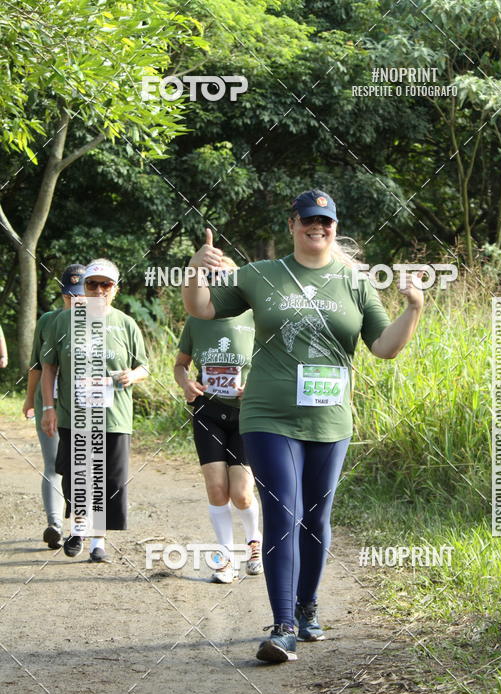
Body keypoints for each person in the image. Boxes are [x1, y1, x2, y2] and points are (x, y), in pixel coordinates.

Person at [183, 190, 424, 663]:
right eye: (309, 219)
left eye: (326, 221)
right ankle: (283, 626)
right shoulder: (260, 275)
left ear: (334, 227)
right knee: (283, 512)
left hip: (329, 420)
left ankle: (308, 608)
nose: (318, 226)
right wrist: (195, 269)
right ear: (292, 224)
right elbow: (202, 309)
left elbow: (384, 347)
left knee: (315, 519)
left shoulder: (355, 282)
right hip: (268, 415)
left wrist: (413, 308)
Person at [40, 259, 149, 562]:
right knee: (75, 475)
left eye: (106, 284)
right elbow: (48, 367)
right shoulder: (63, 321)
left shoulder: (126, 324)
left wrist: (132, 375)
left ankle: (98, 541)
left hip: (114, 416)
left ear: (116, 289)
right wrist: (47, 407)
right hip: (72, 414)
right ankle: (77, 529)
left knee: (106, 479)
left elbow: (145, 366)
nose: (98, 290)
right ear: (84, 287)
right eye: (92, 284)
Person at [174, 257, 263, 582]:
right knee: (216, 489)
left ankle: (254, 541)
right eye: (213, 277)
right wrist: (186, 383)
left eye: (226, 276)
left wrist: (254, 387)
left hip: (245, 414)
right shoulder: (196, 318)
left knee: (240, 493)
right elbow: (181, 364)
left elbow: (273, 363)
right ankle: (224, 558)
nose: (219, 282)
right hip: (207, 411)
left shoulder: (255, 317)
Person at [22, 264, 86, 549]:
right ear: (63, 294)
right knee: (53, 465)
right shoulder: (48, 320)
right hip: (50, 404)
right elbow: (37, 363)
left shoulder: (101, 321)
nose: (74, 301)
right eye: (69, 295)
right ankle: (55, 525)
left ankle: (80, 529)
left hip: (83, 405)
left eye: (80, 295)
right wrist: (29, 398)